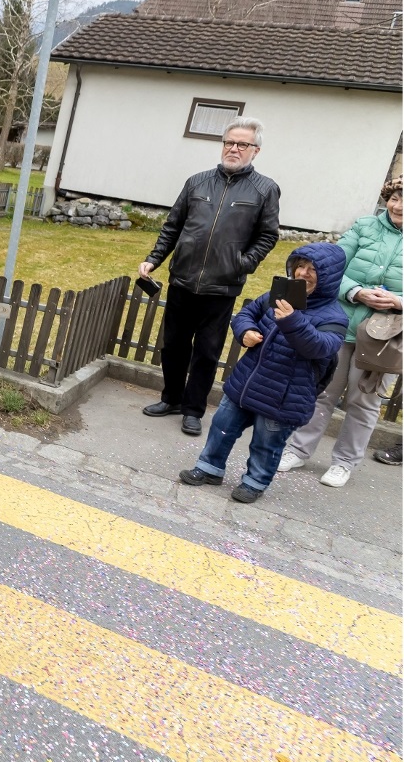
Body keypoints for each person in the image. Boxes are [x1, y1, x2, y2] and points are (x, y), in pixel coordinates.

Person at [138, 116, 280, 437]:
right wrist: (153, 260)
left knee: (206, 352)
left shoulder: (265, 189)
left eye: (241, 144)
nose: (233, 149)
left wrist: (241, 263)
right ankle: (171, 398)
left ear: (255, 150)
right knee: (173, 346)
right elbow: (173, 226)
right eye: (229, 142)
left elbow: (268, 236)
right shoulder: (197, 182)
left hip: (222, 286)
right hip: (182, 280)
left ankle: (193, 410)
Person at [179, 243, 348, 503]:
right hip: (247, 381)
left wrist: (292, 320)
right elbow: (247, 312)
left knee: (266, 444)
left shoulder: (334, 316)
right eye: (300, 266)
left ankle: (255, 482)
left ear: (329, 277)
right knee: (222, 427)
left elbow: (320, 347)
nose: (303, 273)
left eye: (313, 269)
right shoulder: (278, 293)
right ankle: (209, 468)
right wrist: (244, 331)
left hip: (285, 394)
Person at [278, 178, 403, 487]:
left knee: (364, 403)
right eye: (396, 197)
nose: (399, 206)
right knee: (322, 392)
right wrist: (355, 292)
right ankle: (297, 449)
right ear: (389, 196)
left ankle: (344, 462)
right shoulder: (364, 227)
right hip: (340, 324)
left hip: (384, 336)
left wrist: (399, 301)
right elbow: (331, 268)